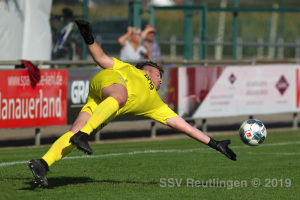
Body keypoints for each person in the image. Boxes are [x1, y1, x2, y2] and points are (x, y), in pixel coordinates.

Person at [28, 20, 236, 187]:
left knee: (73, 135)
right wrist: (88, 38)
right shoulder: (129, 68)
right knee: (119, 97)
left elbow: (186, 127)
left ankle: (43, 163)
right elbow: (101, 58)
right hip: (108, 83)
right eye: (158, 74)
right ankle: (84, 135)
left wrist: (215, 143)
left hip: (103, 101)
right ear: (148, 69)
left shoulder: (157, 105)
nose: (160, 80)